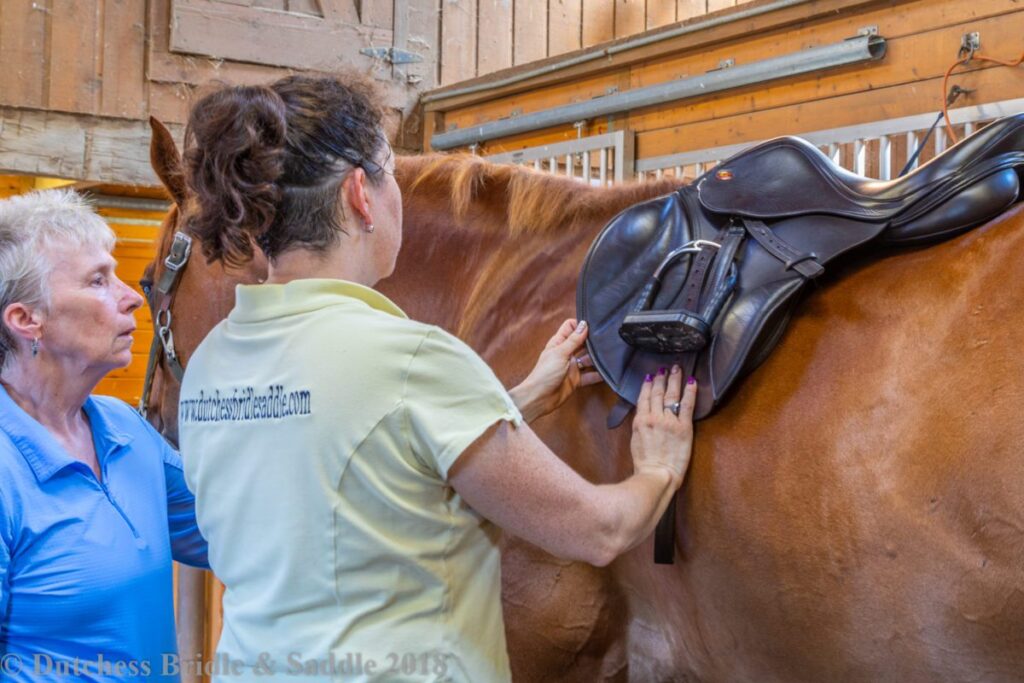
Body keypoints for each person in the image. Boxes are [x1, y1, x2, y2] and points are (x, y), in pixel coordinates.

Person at [176, 74, 697, 682]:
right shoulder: (411, 362)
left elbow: (343, 459)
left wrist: (511, 403)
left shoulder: (210, 364)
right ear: (359, 196)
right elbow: (600, 531)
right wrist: (658, 467)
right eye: (389, 173)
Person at [0, 189, 209, 682]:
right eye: (98, 280)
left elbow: (236, 532)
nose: (133, 296)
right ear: (27, 320)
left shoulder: (122, 428)